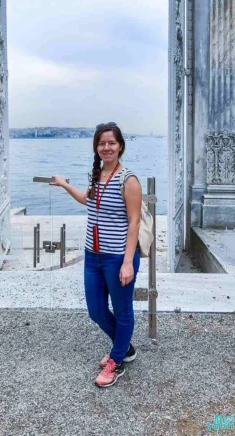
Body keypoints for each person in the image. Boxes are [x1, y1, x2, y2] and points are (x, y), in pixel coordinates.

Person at [50, 122, 142, 388]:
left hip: (117, 258)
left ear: (120, 146)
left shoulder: (129, 180)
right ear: (96, 147)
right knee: (96, 310)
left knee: (122, 311)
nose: (106, 147)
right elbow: (87, 200)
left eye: (111, 143)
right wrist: (65, 185)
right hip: (93, 256)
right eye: (102, 143)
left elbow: (134, 222)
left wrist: (127, 262)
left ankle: (117, 360)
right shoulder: (97, 174)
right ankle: (124, 347)